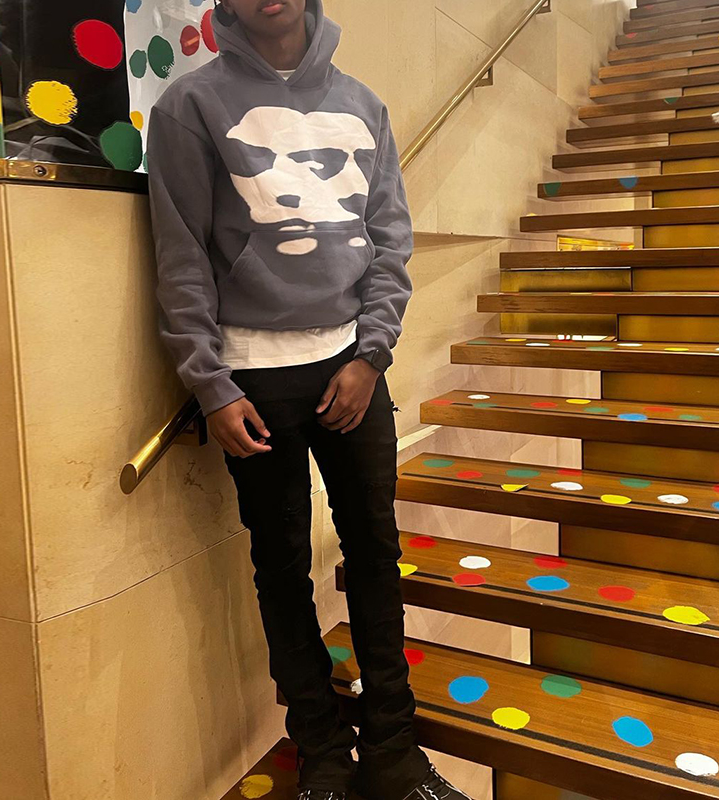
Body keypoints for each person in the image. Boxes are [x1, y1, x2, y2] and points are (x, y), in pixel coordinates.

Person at [146, 1, 471, 799]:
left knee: (375, 557)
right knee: (282, 568)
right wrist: (209, 383)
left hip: (353, 368)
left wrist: (371, 355)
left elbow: (391, 242)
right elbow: (181, 256)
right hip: (252, 380)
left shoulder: (363, 104)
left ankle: (395, 755)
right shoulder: (190, 105)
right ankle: (323, 756)